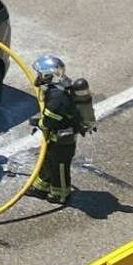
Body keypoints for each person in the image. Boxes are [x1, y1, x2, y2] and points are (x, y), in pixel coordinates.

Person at [31, 54, 86, 204]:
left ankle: (61, 194)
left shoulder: (57, 95)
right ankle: (41, 188)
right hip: (56, 138)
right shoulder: (59, 88)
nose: (38, 77)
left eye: (40, 74)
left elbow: (50, 120)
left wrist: (38, 123)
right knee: (47, 161)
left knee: (60, 168)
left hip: (62, 141)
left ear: (48, 75)